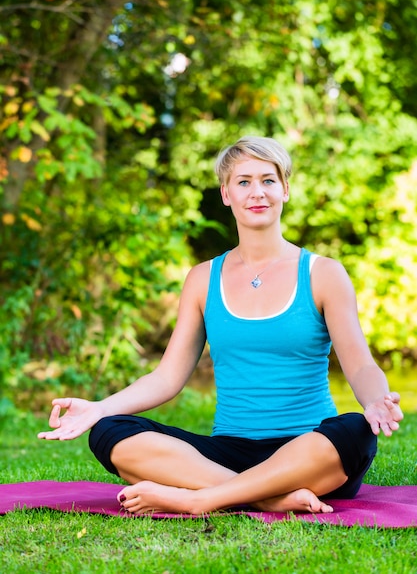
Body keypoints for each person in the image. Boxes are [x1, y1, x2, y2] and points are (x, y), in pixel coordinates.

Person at [38, 136, 403, 516]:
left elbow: (360, 365)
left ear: (286, 189)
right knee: (111, 432)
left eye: (268, 180)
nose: (256, 192)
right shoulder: (202, 279)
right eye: (243, 182)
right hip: (227, 452)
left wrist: (376, 400)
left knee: (355, 432)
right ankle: (267, 498)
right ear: (226, 193)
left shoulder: (323, 274)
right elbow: (167, 377)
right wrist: (98, 408)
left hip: (307, 450)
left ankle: (200, 498)